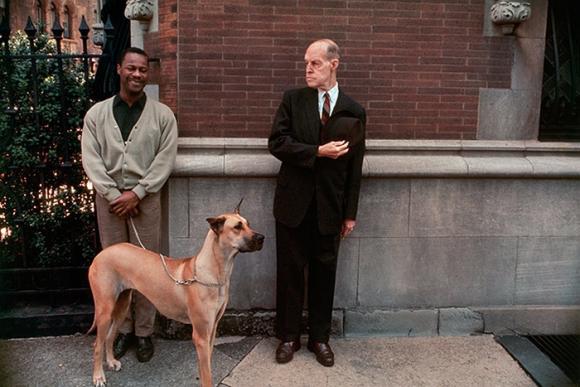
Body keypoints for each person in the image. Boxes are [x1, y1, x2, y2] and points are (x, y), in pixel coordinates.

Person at [268, 39, 366, 367]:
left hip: (330, 208)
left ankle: (320, 339)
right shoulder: (293, 100)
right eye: (306, 63)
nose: (308, 69)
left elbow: (355, 167)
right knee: (290, 273)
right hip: (293, 205)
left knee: (325, 273)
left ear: (334, 64)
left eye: (315, 63)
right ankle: (289, 337)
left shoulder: (353, 110)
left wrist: (349, 213)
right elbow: (277, 143)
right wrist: (316, 152)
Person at [81, 47, 178, 363]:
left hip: (146, 203)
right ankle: (121, 332)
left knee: (148, 271)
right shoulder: (97, 115)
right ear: (120, 69)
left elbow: (165, 158)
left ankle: (144, 334)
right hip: (110, 204)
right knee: (115, 270)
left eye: (143, 70)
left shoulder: (162, 116)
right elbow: (91, 158)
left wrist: (138, 192)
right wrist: (113, 194)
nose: (137, 74)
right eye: (132, 68)